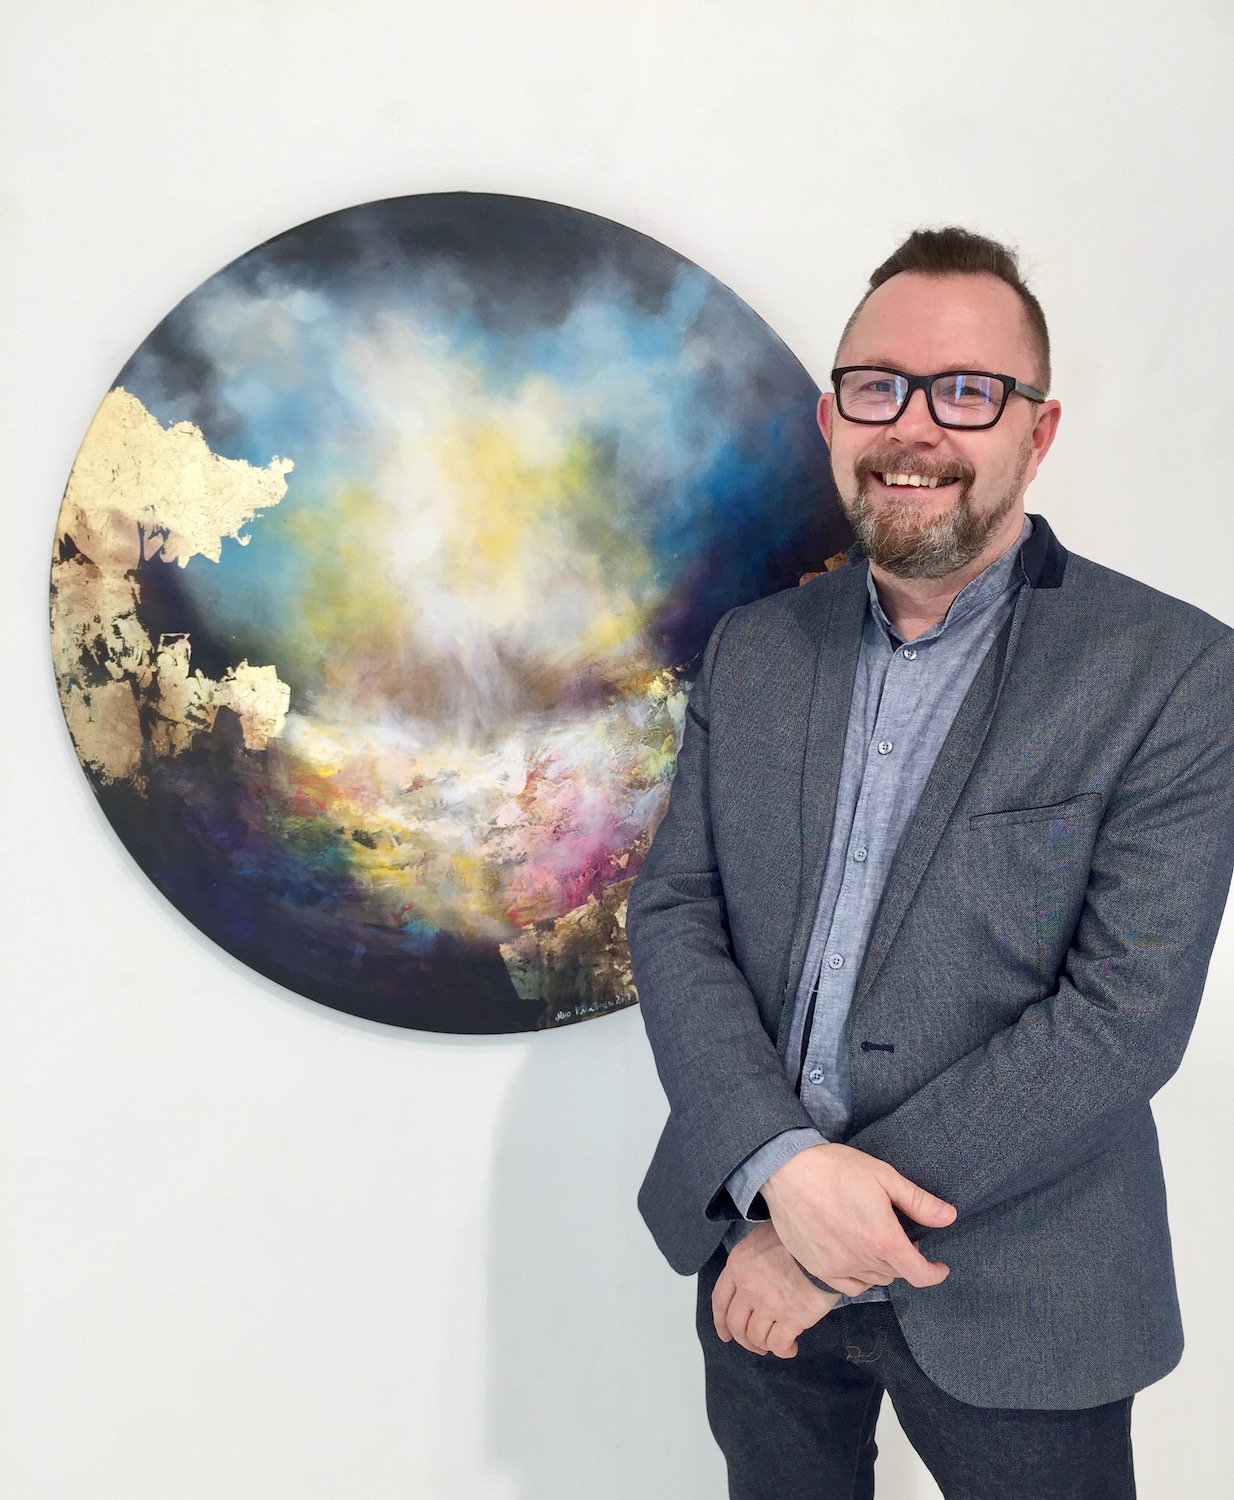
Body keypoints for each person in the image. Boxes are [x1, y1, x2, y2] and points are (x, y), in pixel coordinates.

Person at [624, 226, 1234, 1500]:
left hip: (1021, 1288)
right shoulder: (753, 649)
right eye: (877, 387)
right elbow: (678, 911)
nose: (912, 427)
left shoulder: (1176, 673)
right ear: (831, 417)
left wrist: (825, 1242)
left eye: (966, 391)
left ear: (1037, 431)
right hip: (750, 1243)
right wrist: (779, 1169)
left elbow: (1122, 1018)